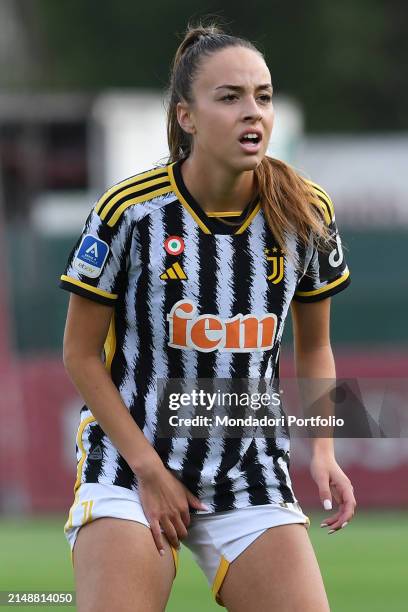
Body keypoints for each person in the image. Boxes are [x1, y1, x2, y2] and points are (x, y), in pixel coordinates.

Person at [60, 21, 356, 612]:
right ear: (185, 117)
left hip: (249, 471)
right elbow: (79, 354)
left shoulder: (306, 211)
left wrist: (323, 449)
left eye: (263, 97)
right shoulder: (130, 212)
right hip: (131, 466)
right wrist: (150, 472)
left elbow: (315, 347)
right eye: (230, 97)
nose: (253, 113)